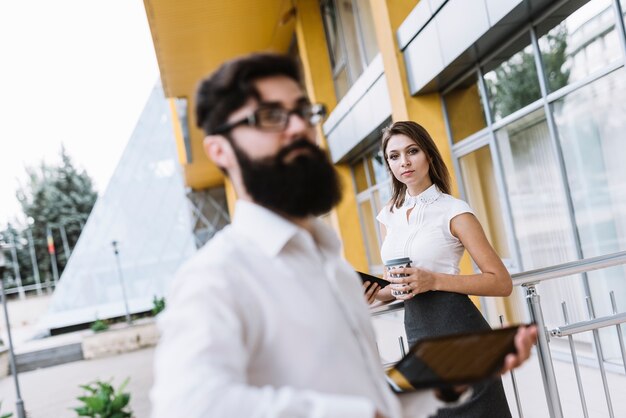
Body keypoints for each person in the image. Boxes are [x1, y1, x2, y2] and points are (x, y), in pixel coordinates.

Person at [150, 53, 536, 418]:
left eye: (304, 112)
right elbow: (190, 407)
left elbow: (367, 395)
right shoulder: (216, 278)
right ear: (220, 150)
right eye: (270, 116)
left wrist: (442, 383)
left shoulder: (328, 263)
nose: (300, 127)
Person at [374, 120, 515, 417]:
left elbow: (501, 282)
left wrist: (433, 280)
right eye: (394, 156)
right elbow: (396, 281)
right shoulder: (390, 216)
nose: (405, 162)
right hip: (419, 334)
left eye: (412, 151)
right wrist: (377, 291)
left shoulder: (454, 211)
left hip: (459, 330)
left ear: (428, 155)